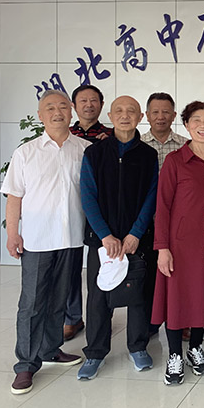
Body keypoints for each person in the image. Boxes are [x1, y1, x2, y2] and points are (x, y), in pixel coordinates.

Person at [2, 90, 89, 395]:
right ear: (40, 115)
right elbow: (14, 197)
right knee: (32, 303)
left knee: (59, 299)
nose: (57, 112)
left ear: (71, 112)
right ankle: (26, 364)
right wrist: (13, 233)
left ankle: (51, 349)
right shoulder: (26, 153)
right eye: (50, 108)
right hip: (37, 240)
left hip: (72, 238)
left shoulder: (85, 150)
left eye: (63, 106)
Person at [77, 96, 159, 380]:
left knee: (138, 294)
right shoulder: (95, 153)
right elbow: (87, 196)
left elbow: (152, 196)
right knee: (98, 296)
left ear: (140, 117)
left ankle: (138, 347)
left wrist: (136, 232)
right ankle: (96, 352)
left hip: (137, 239)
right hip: (102, 240)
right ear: (110, 116)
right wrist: (105, 235)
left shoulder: (148, 155)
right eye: (119, 111)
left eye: (131, 111)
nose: (125, 116)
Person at [151, 101, 204, 385]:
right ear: (186, 125)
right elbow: (162, 206)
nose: (202, 125)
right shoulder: (175, 161)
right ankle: (174, 354)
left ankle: (195, 348)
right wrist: (163, 248)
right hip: (181, 245)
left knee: (203, 296)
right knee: (178, 298)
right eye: (196, 120)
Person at [65, 84, 113, 342]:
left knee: (104, 265)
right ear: (74, 106)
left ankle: (103, 315)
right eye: (83, 101)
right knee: (71, 266)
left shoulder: (111, 136)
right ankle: (73, 317)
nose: (89, 105)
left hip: (100, 209)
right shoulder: (65, 135)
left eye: (94, 100)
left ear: (101, 105)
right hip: (70, 207)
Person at [142, 92, 188, 170]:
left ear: (174, 116)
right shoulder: (138, 144)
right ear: (147, 115)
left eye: (165, 112)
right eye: (155, 112)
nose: (160, 117)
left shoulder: (186, 146)